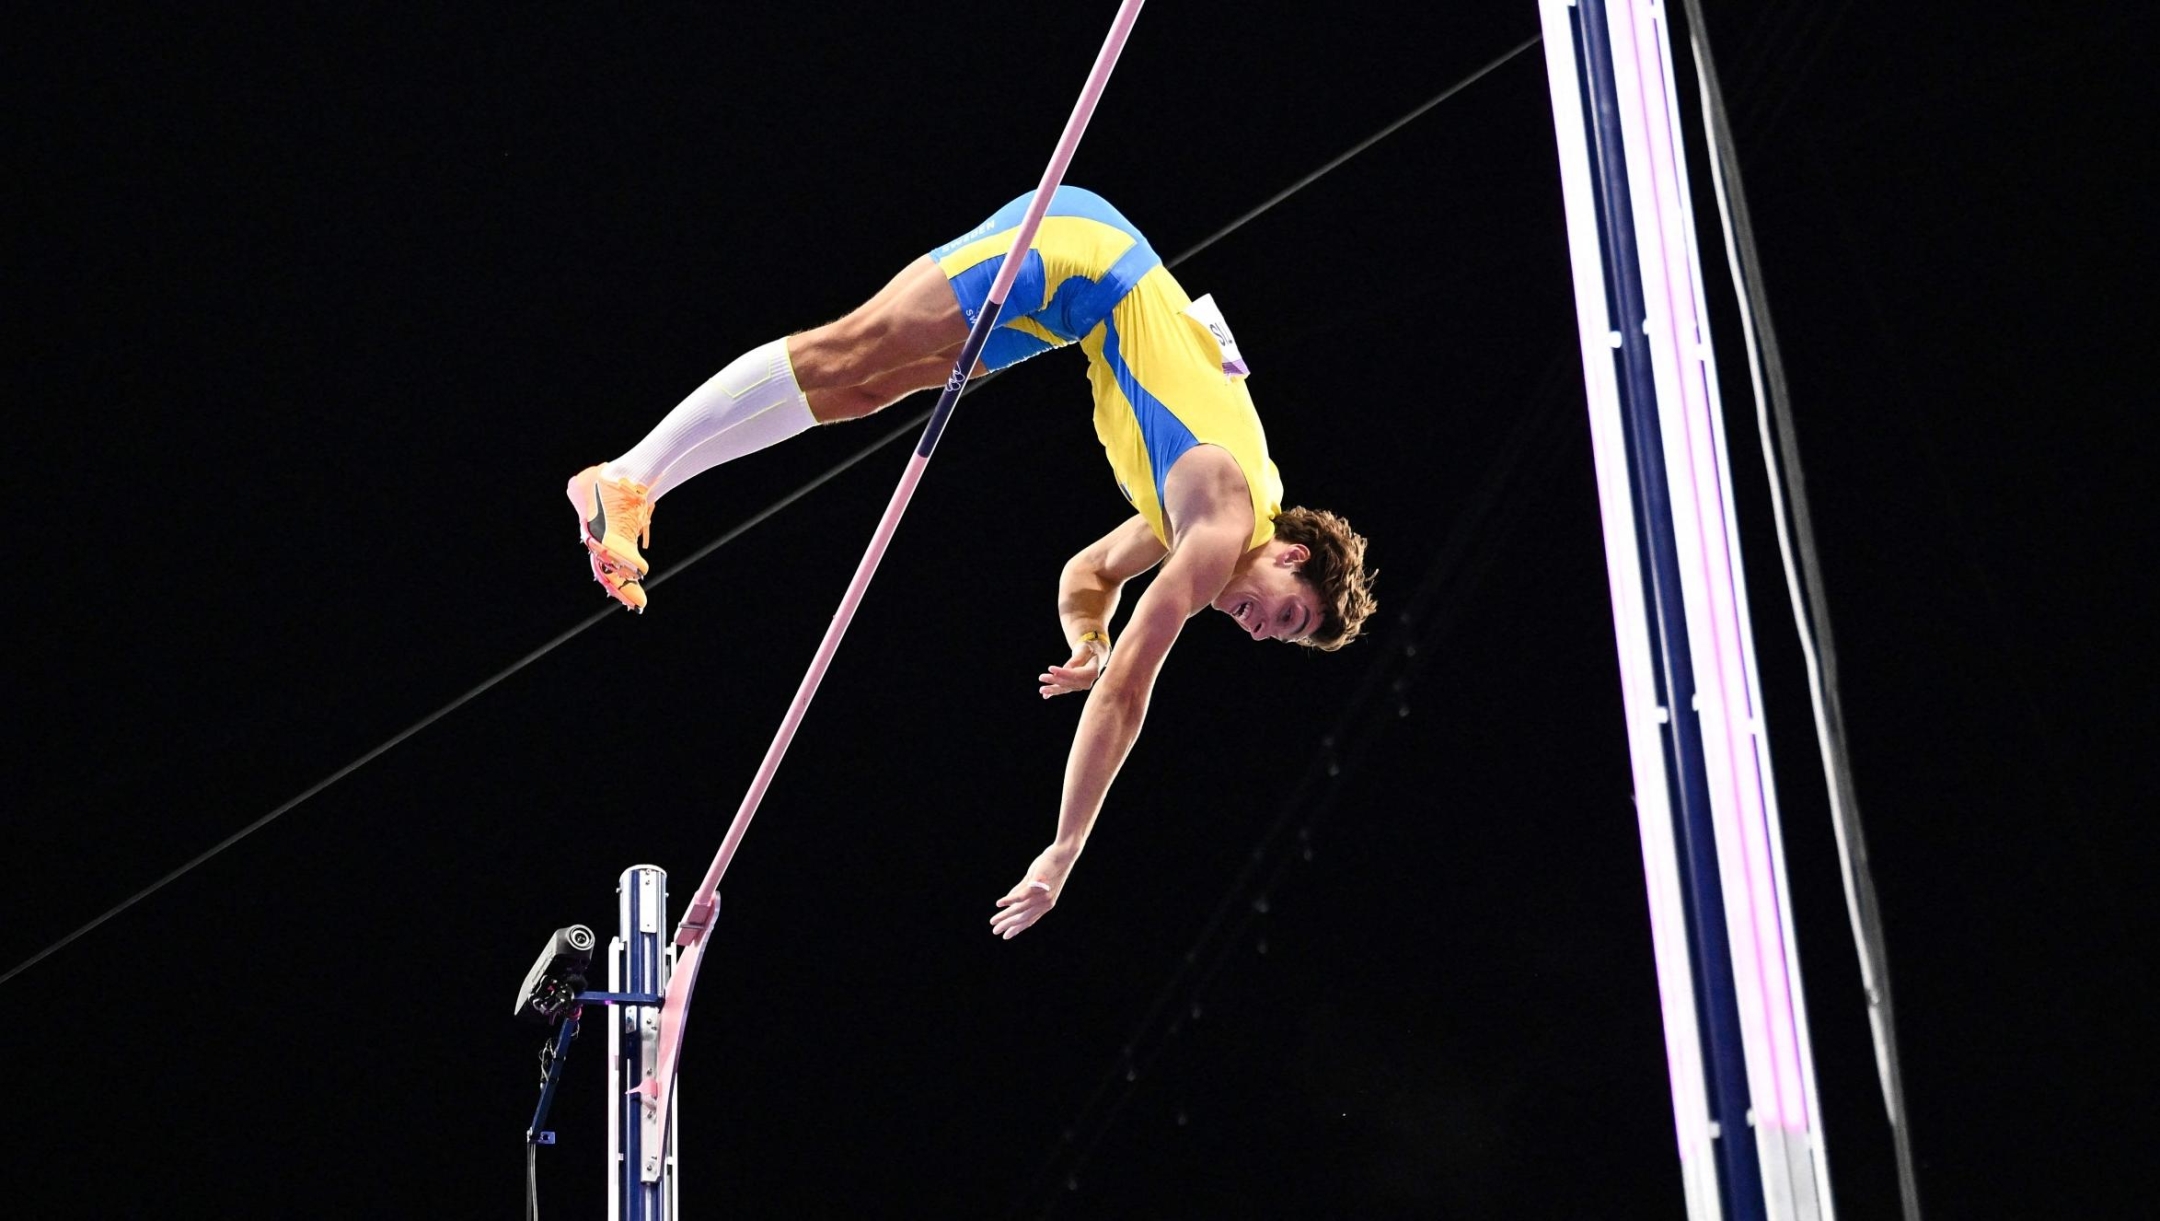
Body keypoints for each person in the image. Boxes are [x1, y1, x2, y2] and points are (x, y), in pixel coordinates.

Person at [567, 187, 1377, 938]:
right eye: (1290, 613)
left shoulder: (1206, 525)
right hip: (1087, 256)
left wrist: (1087, 638)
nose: (1266, 632)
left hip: (1075, 310)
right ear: (1292, 555)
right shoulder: (1221, 521)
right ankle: (628, 478)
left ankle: (636, 483)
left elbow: (1087, 575)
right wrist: (1064, 848)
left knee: (863, 389)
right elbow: (1130, 691)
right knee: (853, 348)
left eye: (1283, 638)